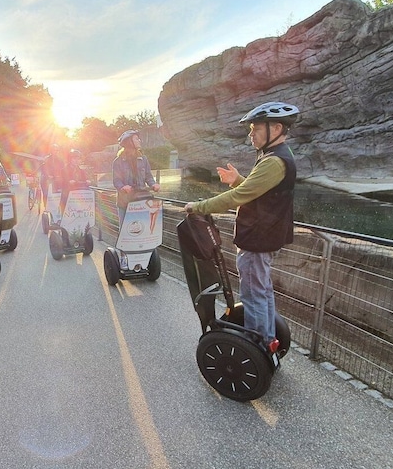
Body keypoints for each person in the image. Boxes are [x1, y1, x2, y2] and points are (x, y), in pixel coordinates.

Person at [184, 101, 299, 350]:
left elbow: (238, 198)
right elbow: (258, 193)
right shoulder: (278, 156)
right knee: (263, 291)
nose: (251, 134)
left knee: (253, 295)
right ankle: (268, 339)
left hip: (258, 239)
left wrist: (199, 206)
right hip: (268, 236)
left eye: (256, 129)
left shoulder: (273, 161)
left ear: (276, 128)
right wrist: (238, 180)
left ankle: (260, 344)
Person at [112, 130, 160, 224]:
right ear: (129, 142)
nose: (139, 140)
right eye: (136, 139)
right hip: (125, 202)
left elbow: (148, 176)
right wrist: (123, 187)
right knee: (125, 231)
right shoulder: (118, 162)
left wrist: (153, 184)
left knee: (141, 229)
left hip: (141, 201)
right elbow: (116, 180)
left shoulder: (143, 159)